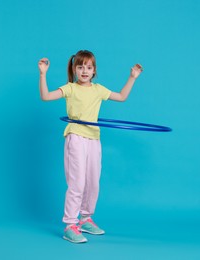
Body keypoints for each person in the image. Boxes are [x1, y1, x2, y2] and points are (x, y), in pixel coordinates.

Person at [38, 50, 143, 243]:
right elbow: (45, 96)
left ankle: (85, 218)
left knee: (93, 182)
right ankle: (70, 224)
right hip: (76, 137)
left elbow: (121, 97)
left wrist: (132, 77)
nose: (84, 71)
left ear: (94, 71)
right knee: (77, 183)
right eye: (80, 67)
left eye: (88, 67)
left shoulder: (98, 89)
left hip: (94, 139)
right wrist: (43, 74)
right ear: (74, 69)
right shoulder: (70, 88)